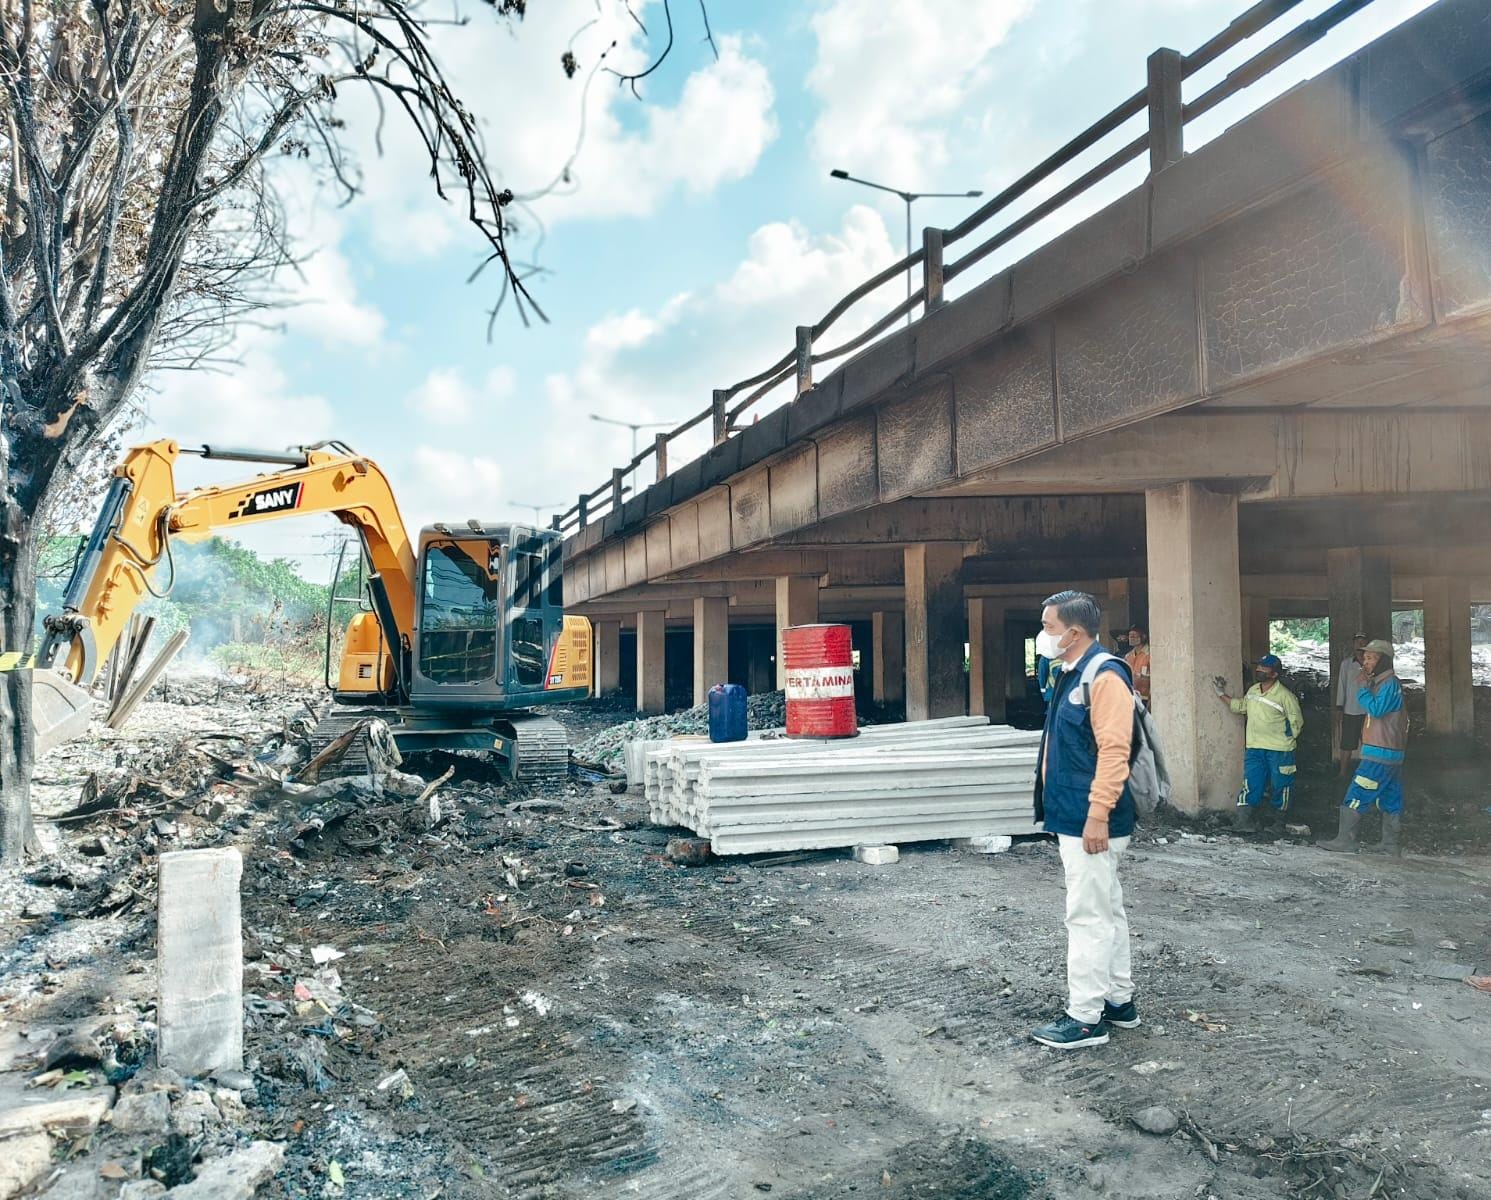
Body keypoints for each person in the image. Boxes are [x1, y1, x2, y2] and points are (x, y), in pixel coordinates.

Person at [1030, 590, 1139, 1050]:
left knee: (1087, 916)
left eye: (1049, 627)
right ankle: (1118, 1001)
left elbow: (1116, 751)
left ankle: (1085, 1018)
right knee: (1106, 907)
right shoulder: (1071, 673)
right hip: (1076, 813)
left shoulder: (1103, 676)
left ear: (1073, 633)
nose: (1044, 635)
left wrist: (1097, 815)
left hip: (1091, 818)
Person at [1319, 639, 1406, 856]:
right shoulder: (1383, 683)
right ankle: (1390, 844)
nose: (1365, 663)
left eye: (1370, 658)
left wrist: (1362, 689)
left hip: (1379, 753)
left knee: (1358, 791)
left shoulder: (1388, 684)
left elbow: (1376, 710)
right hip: (1390, 754)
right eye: (1364, 658)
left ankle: (1345, 840)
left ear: (1383, 661)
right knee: (1389, 797)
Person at [1218, 653, 1304, 832]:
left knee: (1281, 785)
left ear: (1274, 674)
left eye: (1265, 668)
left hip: (1279, 750)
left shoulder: (1285, 696)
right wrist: (1221, 694)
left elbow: (1297, 723)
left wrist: (1285, 739)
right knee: (1251, 783)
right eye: (1259, 667)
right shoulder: (1253, 691)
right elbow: (1241, 707)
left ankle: (1278, 822)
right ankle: (1244, 822)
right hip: (1255, 748)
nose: (1259, 670)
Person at [1334, 633, 1368, 780]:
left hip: (1369, 710)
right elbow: (1341, 686)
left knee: (1369, 743)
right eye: (1357, 642)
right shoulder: (1346, 664)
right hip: (1351, 710)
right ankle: (1342, 772)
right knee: (1347, 743)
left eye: (1363, 642)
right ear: (1353, 644)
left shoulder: (1372, 663)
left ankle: (1367, 772)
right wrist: (1339, 706)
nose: (1360, 645)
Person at [1124, 624, 1152, 708]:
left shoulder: (1149, 654)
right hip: (1131, 697)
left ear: (1143, 636)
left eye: (1134, 635)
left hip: (1145, 698)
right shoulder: (1128, 656)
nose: (1131, 638)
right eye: (1130, 635)